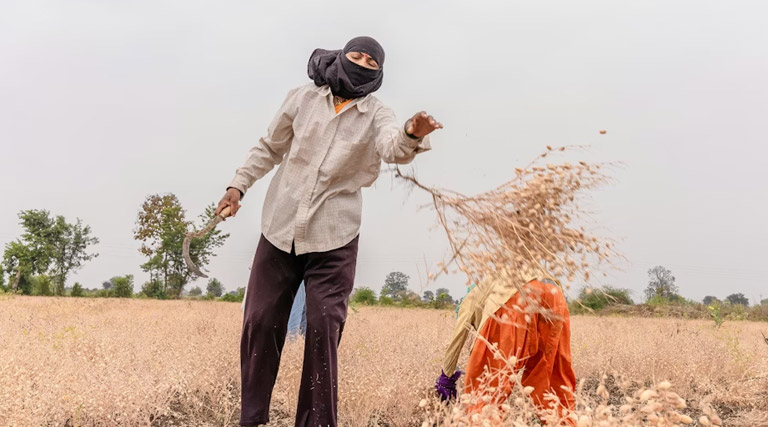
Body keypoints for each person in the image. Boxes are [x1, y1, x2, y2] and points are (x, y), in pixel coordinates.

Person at [216, 36, 442, 427]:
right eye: (357, 55)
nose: (362, 63)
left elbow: (393, 148)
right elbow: (269, 147)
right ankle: (251, 419)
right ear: (341, 57)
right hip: (280, 228)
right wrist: (237, 186)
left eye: (371, 62)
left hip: (334, 239)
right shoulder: (302, 98)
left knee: (323, 328)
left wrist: (411, 133)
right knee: (260, 321)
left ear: (378, 73)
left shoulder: (377, 114)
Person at [436, 273, 576, 423]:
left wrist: (446, 375)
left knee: (485, 392)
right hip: (554, 294)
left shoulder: (473, 297)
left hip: (513, 298)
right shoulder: (493, 280)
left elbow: (459, 334)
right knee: (553, 383)